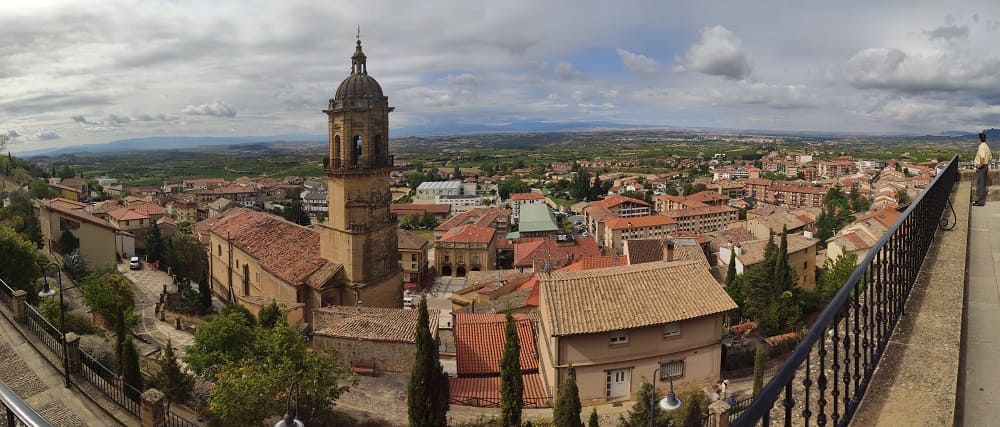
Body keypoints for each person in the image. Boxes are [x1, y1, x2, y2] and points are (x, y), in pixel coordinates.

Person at [975, 132, 991, 206]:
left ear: (980, 139)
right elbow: (990, 156)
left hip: (982, 167)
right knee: (982, 184)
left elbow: (982, 157)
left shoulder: (981, 146)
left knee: (980, 184)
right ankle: (979, 200)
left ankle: (980, 202)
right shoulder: (986, 146)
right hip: (986, 166)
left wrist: (979, 166)